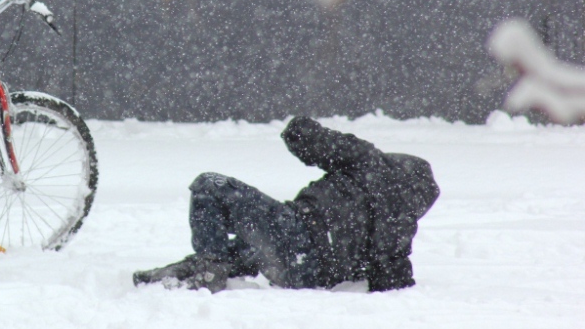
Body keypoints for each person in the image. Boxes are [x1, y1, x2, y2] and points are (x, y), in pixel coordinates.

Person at [133, 116, 439, 293]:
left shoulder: (371, 164)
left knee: (209, 186)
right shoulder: (400, 230)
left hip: (297, 231)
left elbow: (306, 138)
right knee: (241, 253)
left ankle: (206, 270)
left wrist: (299, 128)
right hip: (308, 273)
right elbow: (395, 283)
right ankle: (192, 273)